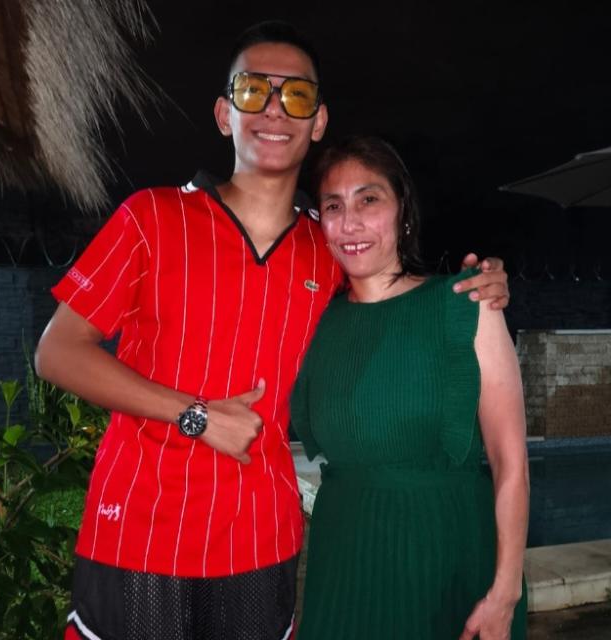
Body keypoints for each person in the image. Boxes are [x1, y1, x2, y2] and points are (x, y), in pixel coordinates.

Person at [35, 21, 511, 640]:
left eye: (296, 95)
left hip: (260, 538)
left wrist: (482, 285)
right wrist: (195, 415)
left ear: (318, 121)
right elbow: (57, 351)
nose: (274, 109)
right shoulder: (151, 217)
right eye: (253, 90)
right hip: (140, 532)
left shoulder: (330, 249)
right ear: (223, 113)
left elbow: (398, 295)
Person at [291, 135, 528, 640]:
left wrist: (505, 592)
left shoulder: (464, 304)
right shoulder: (316, 321)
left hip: (447, 562)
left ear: (402, 211)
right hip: (343, 568)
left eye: (368, 200)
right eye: (334, 206)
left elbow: (511, 463)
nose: (350, 222)